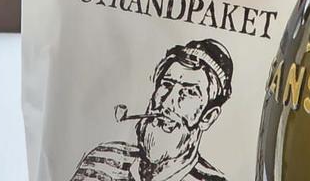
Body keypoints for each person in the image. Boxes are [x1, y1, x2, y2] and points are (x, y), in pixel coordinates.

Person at [71, 40, 233, 181]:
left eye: (190, 92)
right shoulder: (102, 159)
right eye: (167, 85)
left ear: (208, 117)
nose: (167, 102)